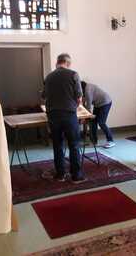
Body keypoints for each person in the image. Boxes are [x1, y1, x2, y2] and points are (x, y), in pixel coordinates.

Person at [43, 53, 85, 183]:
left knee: (57, 145)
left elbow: (44, 96)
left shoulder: (49, 76)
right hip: (68, 114)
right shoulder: (73, 74)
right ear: (67, 63)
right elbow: (79, 97)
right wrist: (75, 105)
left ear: (57, 62)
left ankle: (60, 175)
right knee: (74, 145)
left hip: (53, 115)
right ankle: (76, 176)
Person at [81, 81, 115, 148]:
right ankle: (94, 141)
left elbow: (88, 107)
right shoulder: (86, 88)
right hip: (98, 105)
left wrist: (84, 118)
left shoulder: (88, 91)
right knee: (93, 122)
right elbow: (84, 102)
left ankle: (111, 140)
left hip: (105, 103)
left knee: (101, 122)